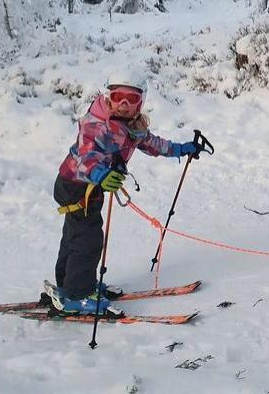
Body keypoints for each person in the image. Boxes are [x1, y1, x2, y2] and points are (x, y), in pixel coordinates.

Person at [47, 72, 203, 316]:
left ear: (140, 103)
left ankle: (71, 284)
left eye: (132, 99)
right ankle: (77, 294)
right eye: (119, 97)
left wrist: (182, 149)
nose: (125, 104)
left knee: (75, 235)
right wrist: (100, 175)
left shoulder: (132, 127)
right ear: (109, 98)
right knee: (87, 239)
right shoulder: (96, 124)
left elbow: (154, 144)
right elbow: (86, 157)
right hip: (77, 185)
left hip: (90, 188)